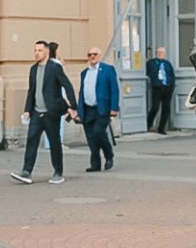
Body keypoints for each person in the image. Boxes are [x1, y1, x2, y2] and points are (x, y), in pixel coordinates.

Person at [10, 39, 74, 185]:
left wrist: (73, 106)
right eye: (35, 50)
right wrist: (27, 110)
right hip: (37, 113)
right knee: (32, 140)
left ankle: (58, 172)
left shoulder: (54, 68)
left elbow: (67, 85)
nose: (36, 53)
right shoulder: (33, 69)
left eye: (39, 50)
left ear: (46, 52)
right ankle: (26, 172)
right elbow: (31, 90)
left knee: (54, 142)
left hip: (51, 113)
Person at [75, 47, 120, 172]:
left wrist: (114, 107)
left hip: (102, 109)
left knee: (98, 132)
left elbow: (114, 89)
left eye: (95, 54)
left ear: (99, 56)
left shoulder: (108, 70)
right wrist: (79, 111)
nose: (92, 56)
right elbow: (81, 93)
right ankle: (95, 164)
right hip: (88, 109)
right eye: (90, 54)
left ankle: (109, 155)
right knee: (90, 137)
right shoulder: (84, 73)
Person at [146, 47, 175, 134]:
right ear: (156, 53)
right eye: (159, 52)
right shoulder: (151, 63)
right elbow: (147, 73)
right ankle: (148, 124)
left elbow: (171, 74)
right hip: (157, 87)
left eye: (162, 52)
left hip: (167, 87)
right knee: (155, 107)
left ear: (165, 54)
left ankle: (161, 128)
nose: (160, 54)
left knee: (166, 108)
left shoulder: (167, 63)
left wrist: (171, 84)